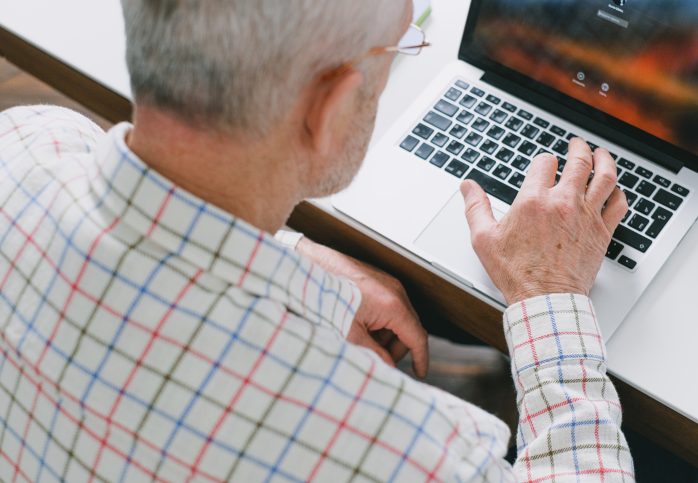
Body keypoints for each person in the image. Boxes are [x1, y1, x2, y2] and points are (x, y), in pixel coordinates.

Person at [0, 0, 635, 481]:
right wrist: (548, 292)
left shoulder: (28, 142)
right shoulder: (406, 449)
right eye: (400, 48)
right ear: (329, 108)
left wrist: (291, 258)